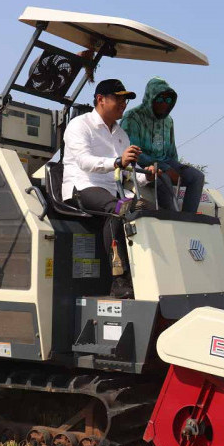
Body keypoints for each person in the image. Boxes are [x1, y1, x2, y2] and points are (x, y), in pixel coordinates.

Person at [62, 78, 164, 299]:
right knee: (119, 209)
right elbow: (84, 162)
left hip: (113, 190)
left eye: (125, 100)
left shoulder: (121, 134)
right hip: (84, 186)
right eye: (118, 99)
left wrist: (147, 175)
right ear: (100, 99)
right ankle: (119, 280)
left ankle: (150, 277)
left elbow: (127, 173)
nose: (123, 104)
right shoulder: (79, 125)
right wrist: (118, 161)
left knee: (149, 212)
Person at [121, 77, 205, 213]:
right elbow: (133, 152)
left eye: (168, 100)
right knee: (163, 177)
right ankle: (172, 216)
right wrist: (165, 169)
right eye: (160, 99)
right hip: (142, 166)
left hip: (165, 163)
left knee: (197, 177)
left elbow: (171, 152)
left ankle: (188, 217)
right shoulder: (132, 117)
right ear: (150, 99)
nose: (164, 104)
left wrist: (176, 169)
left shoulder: (168, 121)